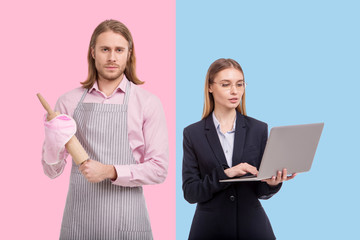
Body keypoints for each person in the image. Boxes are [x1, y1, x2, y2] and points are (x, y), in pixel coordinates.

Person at [41, 19, 169, 240]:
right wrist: (53, 139)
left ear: (129, 53)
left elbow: (159, 170)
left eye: (119, 50)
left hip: (129, 223)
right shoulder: (68, 102)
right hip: (79, 223)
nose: (112, 57)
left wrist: (110, 171)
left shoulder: (147, 103)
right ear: (93, 52)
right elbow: (52, 171)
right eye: (105, 49)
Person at [182, 58, 295, 239]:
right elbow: (190, 192)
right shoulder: (193, 134)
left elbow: (260, 191)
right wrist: (226, 174)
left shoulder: (258, 129)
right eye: (226, 84)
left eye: (240, 84)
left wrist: (273, 183)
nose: (235, 91)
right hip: (210, 230)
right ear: (210, 87)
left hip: (253, 228)